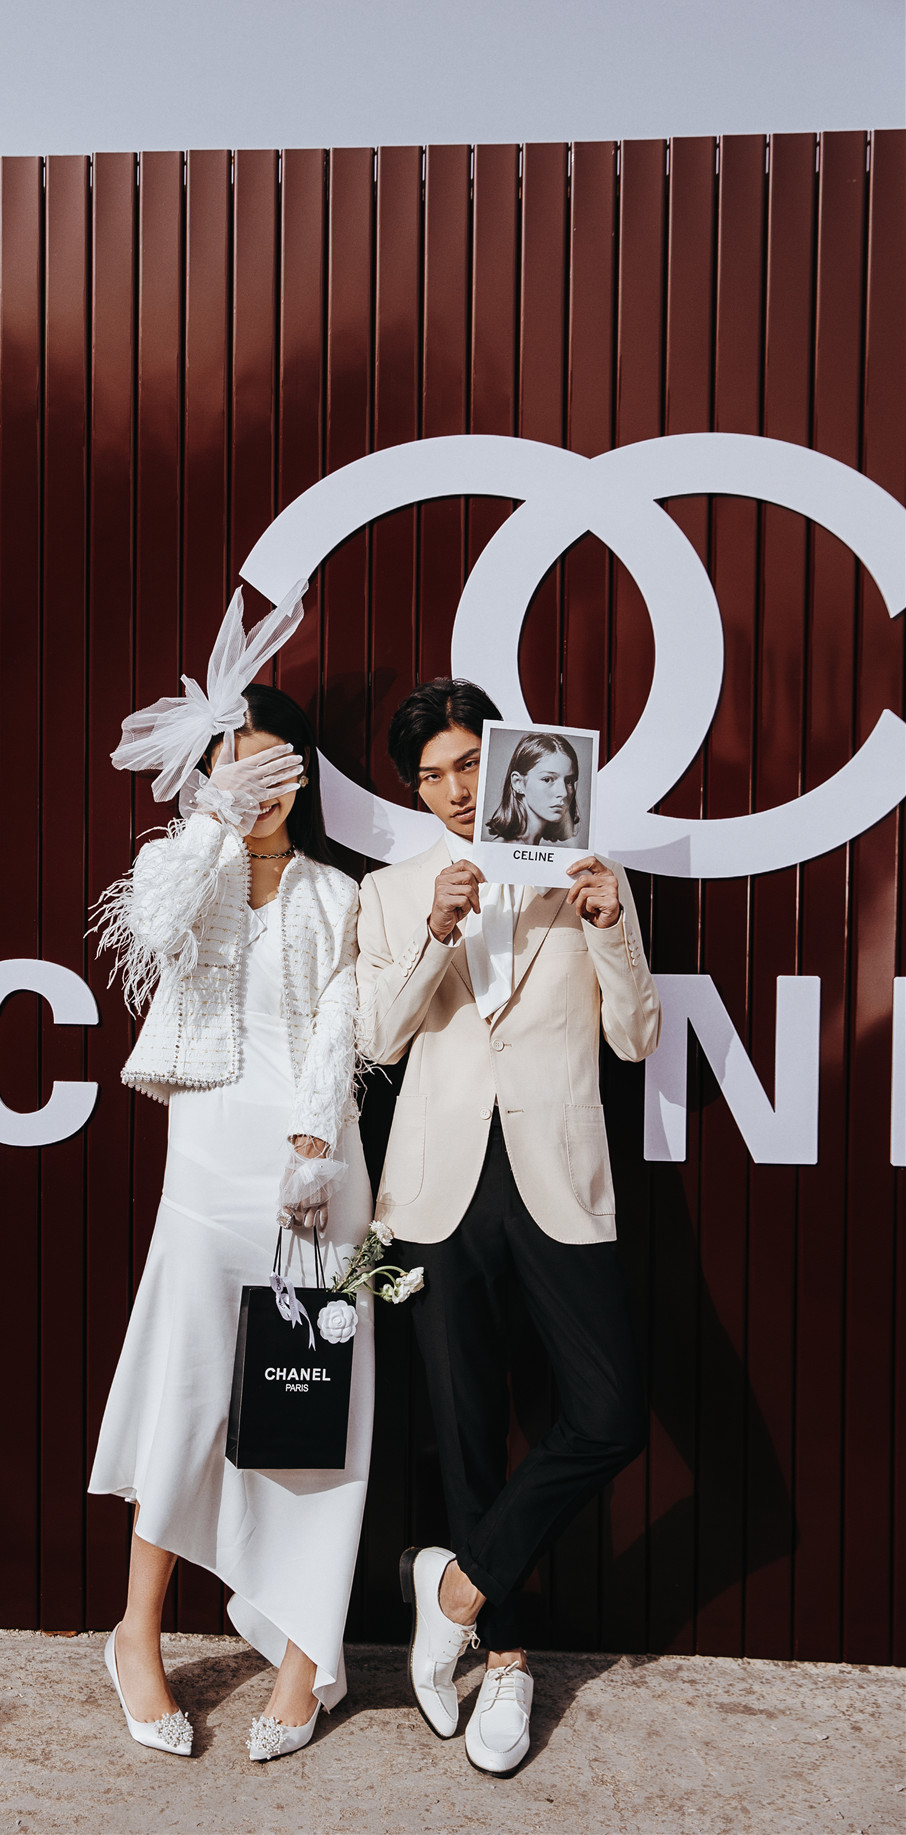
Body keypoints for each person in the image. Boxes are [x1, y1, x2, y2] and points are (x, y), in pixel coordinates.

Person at [356, 679, 660, 1775]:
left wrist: (610, 927)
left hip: (555, 1175)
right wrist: (436, 931)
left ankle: (452, 1588)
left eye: (465, 765)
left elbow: (633, 1040)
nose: (451, 790)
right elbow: (378, 1040)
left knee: (609, 1413)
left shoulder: (587, 880)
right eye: (429, 776)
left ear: (503, 762)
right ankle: (508, 1662)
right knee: (466, 1425)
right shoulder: (391, 892)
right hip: (438, 1185)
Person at [90, 591, 373, 1766]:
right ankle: (136, 1634)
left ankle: (304, 1656)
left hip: (315, 1171)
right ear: (210, 779)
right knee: (191, 1390)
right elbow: (151, 931)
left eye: (278, 766)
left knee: (314, 1401)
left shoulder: (339, 893)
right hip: (207, 1160)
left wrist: (313, 1146)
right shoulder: (184, 867)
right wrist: (214, 818)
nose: (263, 785)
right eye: (240, 766)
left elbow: (340, 1026)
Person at [484, 731, 582, 846]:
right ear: (518, 783)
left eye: (569, 781)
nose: (563, 793)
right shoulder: (502, 847)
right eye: (547, 779)